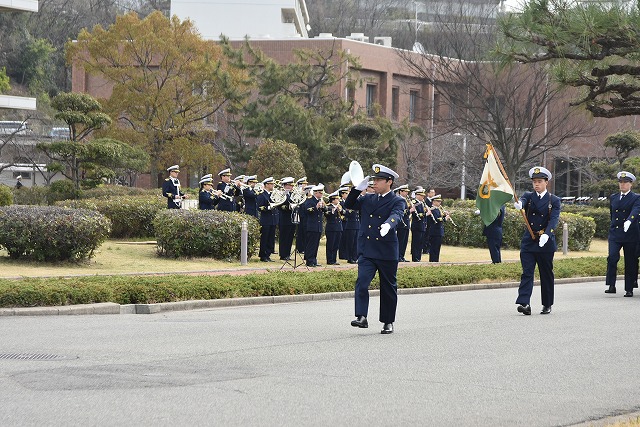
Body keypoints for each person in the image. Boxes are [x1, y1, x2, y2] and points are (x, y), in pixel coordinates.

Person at [345, 163, 404, 334]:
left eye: (378, 180)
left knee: (388, 287)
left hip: (386, 251)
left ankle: (388, 321)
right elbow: (349, 204)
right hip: (367, 250)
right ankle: (361, 316)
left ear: (389, 182)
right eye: (374, 180)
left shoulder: (397, 200)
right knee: (362, 282)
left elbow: (397, 215)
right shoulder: (367, 198)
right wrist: (357, 189)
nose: (374, 183)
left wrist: (388, 224)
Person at [513, 166, 561, 315]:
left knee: (546, 273)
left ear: (547, 182)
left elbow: (554, 220)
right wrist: (520, 204)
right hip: (529, 241)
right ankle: (524, 303)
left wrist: (547, 234)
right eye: (534, 182)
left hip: (545, 242)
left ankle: (547, 303)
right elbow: (523, 199)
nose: (536, 184)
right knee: (527, 272)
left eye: (539, 181)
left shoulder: (554, 200)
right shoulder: (529, 196)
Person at [604, 171, 640, 297]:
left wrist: (629, 220)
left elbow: (636, 210)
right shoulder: (614, 197)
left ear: (631, 184)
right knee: (612, 257)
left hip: (630, 234)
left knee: (630, 261)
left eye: (625, 182)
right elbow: (612, 213)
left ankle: (629, 288)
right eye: (621, 182)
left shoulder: (636, 198)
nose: (623, 185)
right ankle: (611, 284)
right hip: (615, 232)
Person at [301, 184, 325, 267]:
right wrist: (316, 207)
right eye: (320, 193)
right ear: (315, 193)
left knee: (315, 245)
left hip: (317, 226)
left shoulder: (320, 200)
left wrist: (323, 206)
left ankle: (314, 260)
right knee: (311, 244)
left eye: (322, 192)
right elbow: (308, 211)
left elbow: (324, 211)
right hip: (311, 226)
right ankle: (309, 261)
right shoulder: (310, 201)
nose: (321, 194)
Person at [257, 177, 279, 262]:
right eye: (271, 184)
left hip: (273, 219)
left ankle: (268, 254)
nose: (273, 185)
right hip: (266, 220)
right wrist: (269, 207)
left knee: (271, 238)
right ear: (266, 185)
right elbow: (260, 207)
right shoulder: (262, 195)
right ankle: (263, 255)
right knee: (265, 238)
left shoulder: (272, 194)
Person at [426, 194, 450, 262]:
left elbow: (440, 216)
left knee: (437, 248)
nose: (440, 203)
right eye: (438, 201)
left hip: (438, 231)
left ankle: (436, 261)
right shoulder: (432, 209)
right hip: (434, 231)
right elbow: (437, 219)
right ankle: (433, 261)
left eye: (440, 201)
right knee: (434, 248)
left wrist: (445, 214)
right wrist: (445, 218)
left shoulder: (438, 209)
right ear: (433, 202)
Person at [278, 177, 297, 261]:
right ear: (285, 185)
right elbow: (279, 205)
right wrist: (289, 207)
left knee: (290, 237)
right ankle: (283, 254)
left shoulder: (292, 194)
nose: (292, 187)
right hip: (284, 218)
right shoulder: (281, 194)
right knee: (284, 237)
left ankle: (287, 254)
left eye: (292, 185)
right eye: (290, 185)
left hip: (291, 218)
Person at [324, 191, 343, 265]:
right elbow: (326, 214)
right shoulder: (328, 207)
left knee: (336, 245)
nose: (338, 201)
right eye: (337, 199)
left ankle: (334, 259)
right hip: (331, 228)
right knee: (330, 244)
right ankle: (330, 260)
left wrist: (340, 210)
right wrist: (333, 210)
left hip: (338, 228)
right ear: (333, 200)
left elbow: (344, 213)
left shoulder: (339, 206)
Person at [395, 184, 412, 262]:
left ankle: (402, 256)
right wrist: (409, 210)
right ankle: (398, 256)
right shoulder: (398, 199)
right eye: (405, 191)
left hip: (406, 223)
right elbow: (401, 211)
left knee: (404, 242)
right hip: (401, 224)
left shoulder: (405, 200)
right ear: (400, 191)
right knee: (400, 241)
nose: (407, 193)